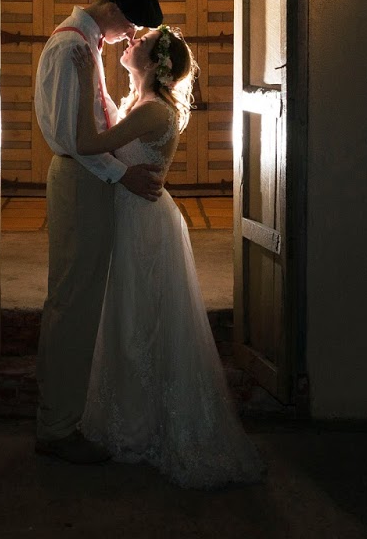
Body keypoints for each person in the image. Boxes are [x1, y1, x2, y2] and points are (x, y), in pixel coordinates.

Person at [73, 25, 265, 488]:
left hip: (143, 224)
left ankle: (144, 426)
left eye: (140, 41)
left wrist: (81, 84)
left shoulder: (154, 111)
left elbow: (85, 143)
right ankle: (136, 417)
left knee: (140, 322)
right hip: (135, 213)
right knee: (130, 320)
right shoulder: (140, 101)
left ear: (155, 63)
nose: (131, 39)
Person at [32, 0, 165, 464]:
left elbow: (96, 117)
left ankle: (65, 416)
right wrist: (121, 174)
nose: (131, 36)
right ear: (112, 8)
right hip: (81, 178)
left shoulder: (85, 45)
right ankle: (57, 426)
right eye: (131, 23)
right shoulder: (72, 49)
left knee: (82, 299)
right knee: (72, 302)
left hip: (89, 178)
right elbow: (71, 136)